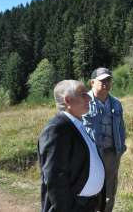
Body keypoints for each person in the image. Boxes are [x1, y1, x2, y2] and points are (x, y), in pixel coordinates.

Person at [38, 80, 105, 212]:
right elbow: (54, 176)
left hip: (88, 205)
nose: (89, 97)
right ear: (68, 100)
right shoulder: (57, 128)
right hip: (73, 207)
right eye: (83, 94)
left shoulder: (78, 124)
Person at [83, 67, 126, 212]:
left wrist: (121, 149)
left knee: (109, 192)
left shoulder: (116, 103)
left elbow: (121, 128)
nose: (106, 83)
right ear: (92, 82)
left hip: (112, 154)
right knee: (90, 189)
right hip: (92, 155)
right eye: (102, 80)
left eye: (108, 80)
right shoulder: (84, 102)